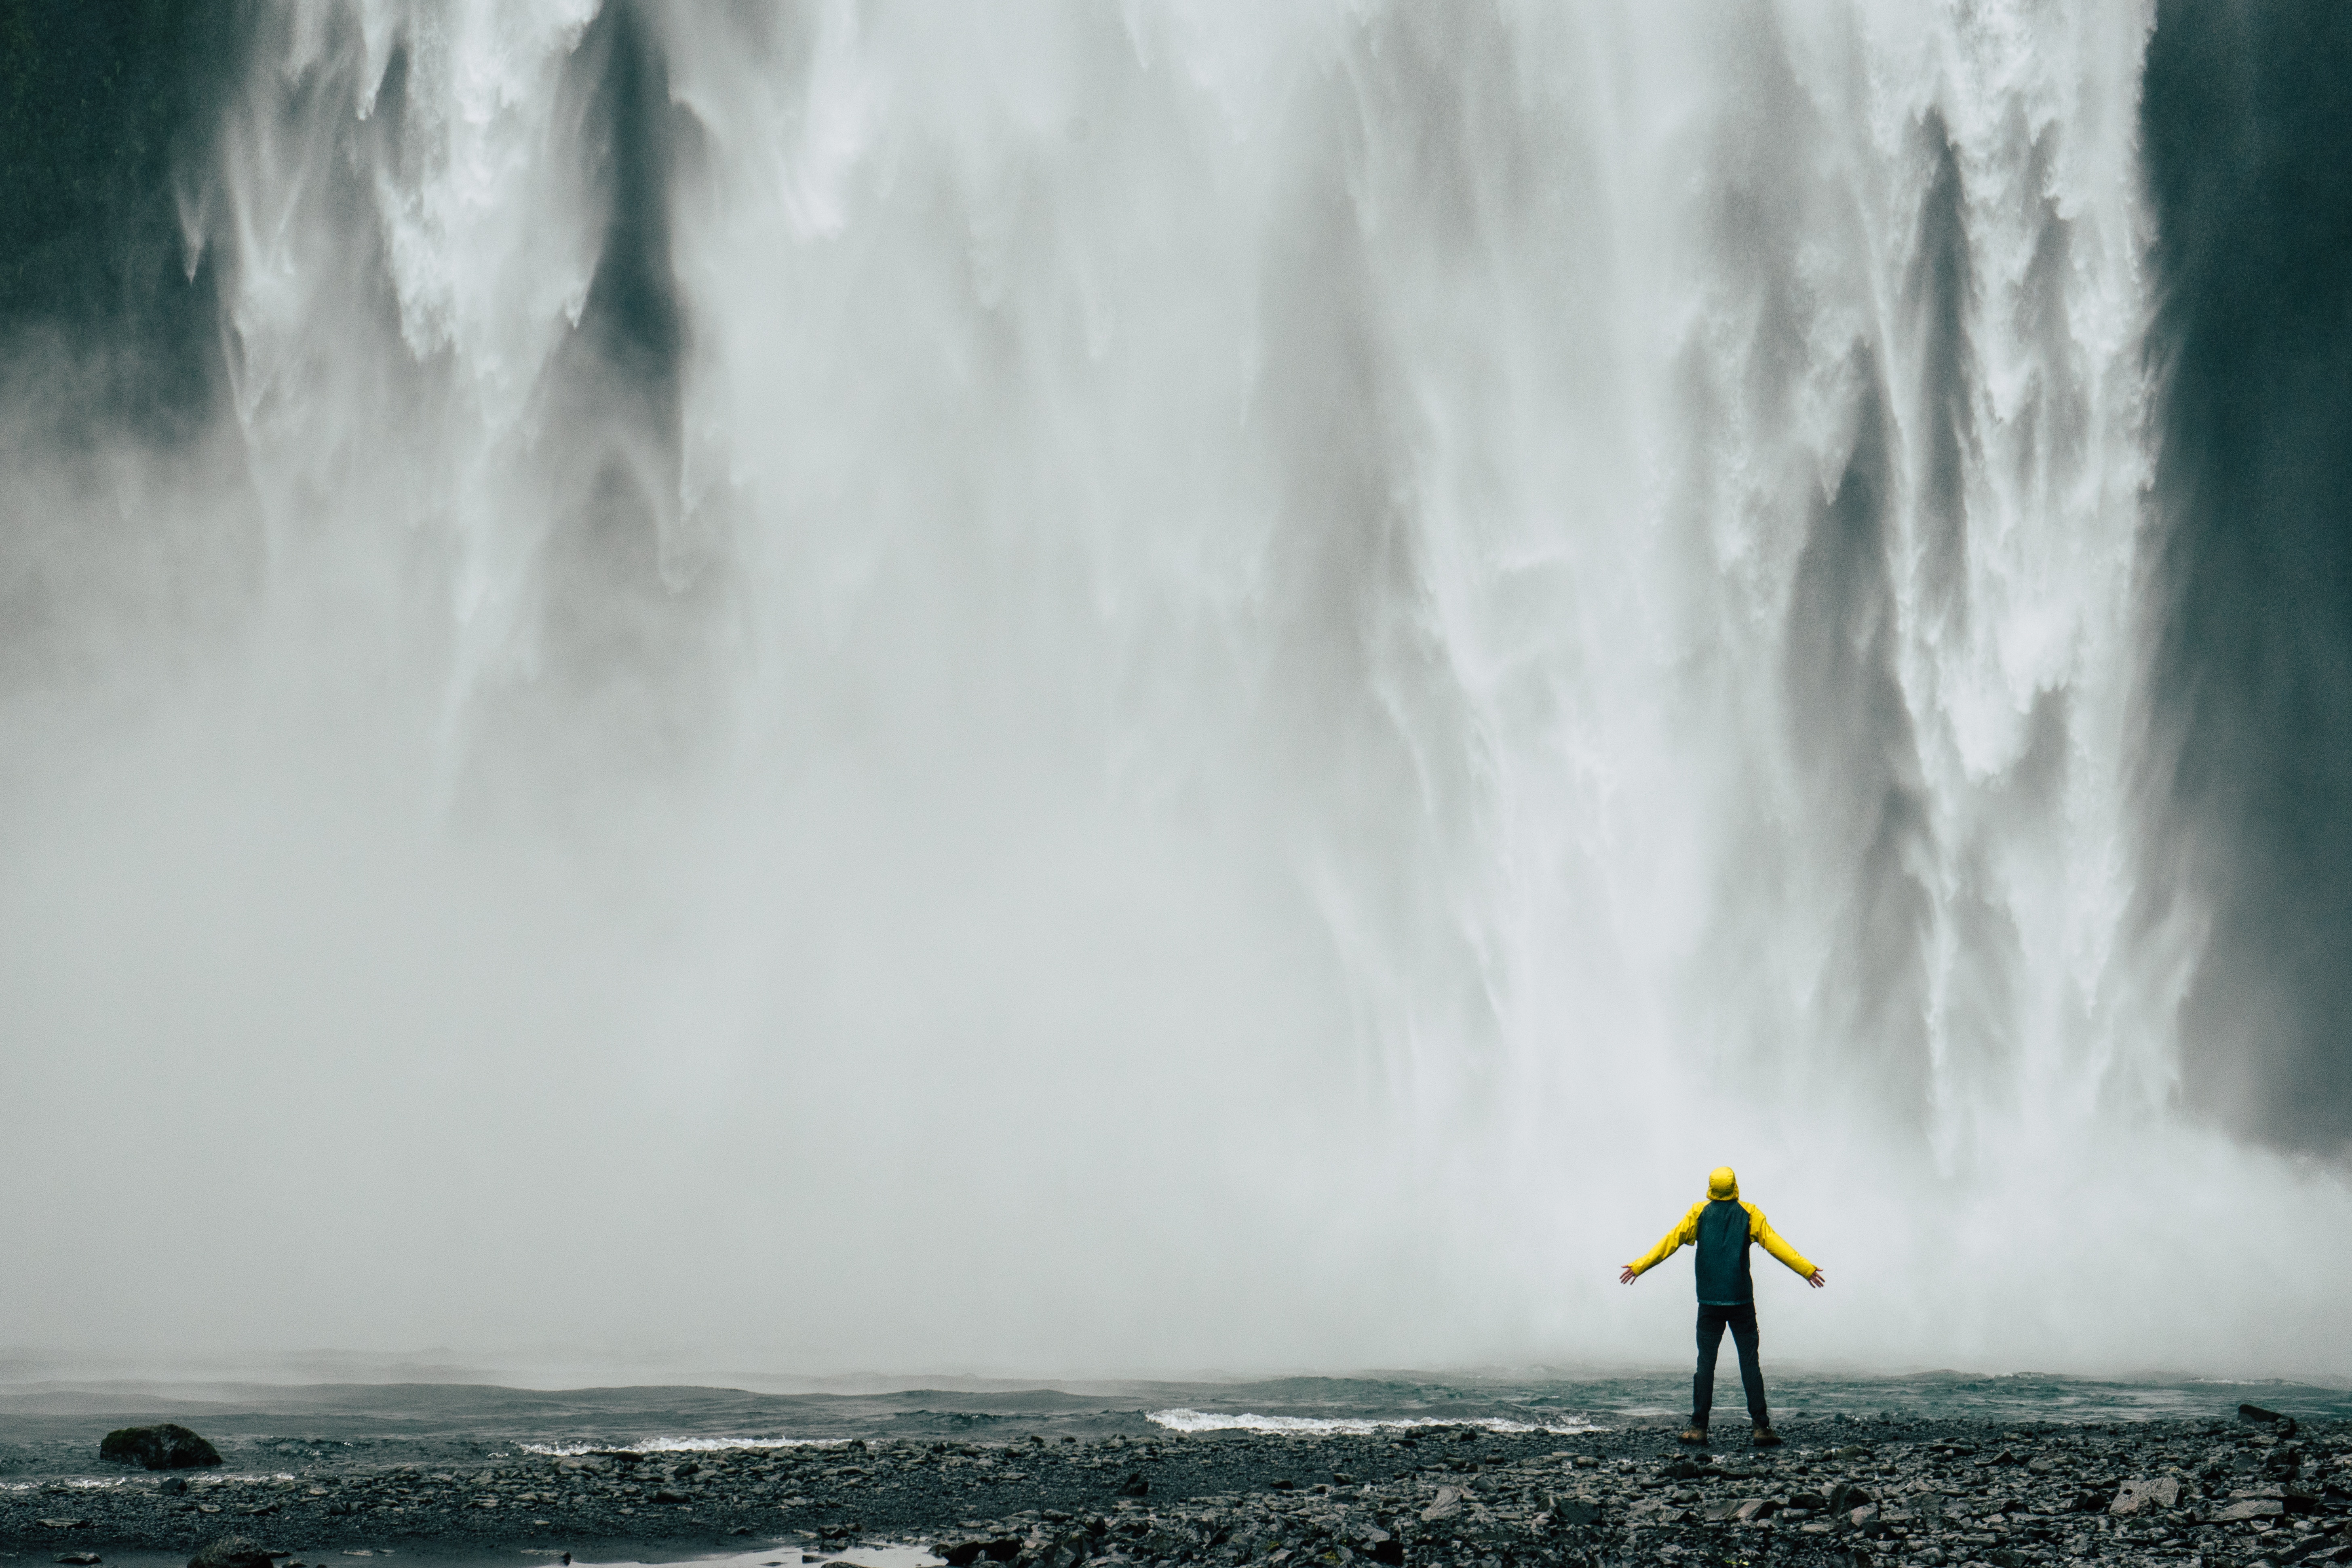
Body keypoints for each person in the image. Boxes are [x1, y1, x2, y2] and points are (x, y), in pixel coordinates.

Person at [1619, 1165, 1825, 1447]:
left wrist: (1639, 1266)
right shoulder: (1750, 1213)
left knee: (1705, 1365)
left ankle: (1698, 1428)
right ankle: (1761, 1428)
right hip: (1742, 1302)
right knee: (1749, 1364)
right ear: (1734, 1186)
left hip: (1709, 1303)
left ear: (1711, 1187)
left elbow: (1670, 1242)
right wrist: (1806, 1269)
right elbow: (1777, 1245)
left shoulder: (1698, 1213)